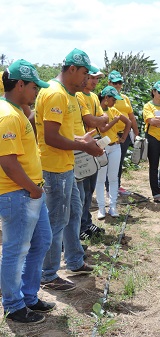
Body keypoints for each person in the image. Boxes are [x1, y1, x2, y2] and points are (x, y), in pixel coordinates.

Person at [35, 48, 103, 292]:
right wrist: (82, 145)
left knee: (74, 212)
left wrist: (80, 139)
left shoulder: (67, 94)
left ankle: (74, 260)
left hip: (65, 166)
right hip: (54, 169)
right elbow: (51, 137)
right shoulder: (56, 94)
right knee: (56, 220)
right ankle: (48, 274)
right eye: (84, 73)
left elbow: (60, 133)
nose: (87, 79)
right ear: (71, 69)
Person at [0, 60, 53, 323]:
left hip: (30, 192)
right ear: (20, 84)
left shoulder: (16, 109)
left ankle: (28, 296)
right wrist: (33, 189)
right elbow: (8, 163)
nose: (36, 91)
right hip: (18, 193)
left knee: (42, 240)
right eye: (34, 87)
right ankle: (13, 304)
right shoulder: (8, 115)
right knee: (15, 249)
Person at [76, 68, 109, 239]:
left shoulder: (94, 97)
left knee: (90, 189)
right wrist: (101, 118)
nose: (95, 81)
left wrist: (100, 119)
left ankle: (86, 223)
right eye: (92, 77)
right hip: (83, 145)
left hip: (94, 143)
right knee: (82, 189)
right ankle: (81, 226)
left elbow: (102, 122)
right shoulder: (79, 95)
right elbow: (90, 120)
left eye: (97, 78)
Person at [95, 86, 131, 219]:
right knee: (100, 179)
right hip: (102, 148)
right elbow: (103, 129)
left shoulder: (113, 110)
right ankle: (101, 208)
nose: (115, 102)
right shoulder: (97, 111)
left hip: (115, 146)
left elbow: (128, 122)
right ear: (106, 98)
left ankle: (113, 206)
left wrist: (123, 138)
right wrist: (115, 121)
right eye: (113, 99)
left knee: (113, 178)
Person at [108, 70, 139, 196]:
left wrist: (136, 133)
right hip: (110, 135)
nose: (117, 85)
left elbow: (131, 117)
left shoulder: (125, 98)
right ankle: (107, 187)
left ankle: (117, 186)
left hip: (124, 134)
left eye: (119, 82)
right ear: (109, 83)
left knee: (119, 161)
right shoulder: (104, 97)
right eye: (114, 83)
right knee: (107, 163)